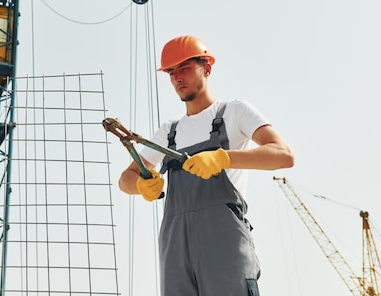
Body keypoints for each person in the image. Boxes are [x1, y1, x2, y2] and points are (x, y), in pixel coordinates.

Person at [118, 35, 294, 296]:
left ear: (207, 68)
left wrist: (224, 158)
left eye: (185, 68)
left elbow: (282, 155)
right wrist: (141, 185)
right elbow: (125, 179)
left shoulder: (234, 112)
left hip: (223, 240)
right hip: (175, 245)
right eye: (171, 72)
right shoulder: (169, 132)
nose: (177, 77)